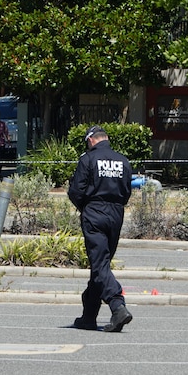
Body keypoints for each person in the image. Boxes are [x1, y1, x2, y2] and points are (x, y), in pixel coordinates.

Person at [67, 125, 133, 332]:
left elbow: (76, 191)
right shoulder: (123, 160)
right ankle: (88, 316)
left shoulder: (88, 159)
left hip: (94, 211)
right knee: (101, 264)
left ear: (91, 140)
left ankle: (117, 305)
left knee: (99, 265)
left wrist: (85, 208)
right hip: (116, 213)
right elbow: (127, 192)